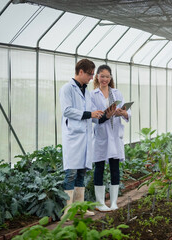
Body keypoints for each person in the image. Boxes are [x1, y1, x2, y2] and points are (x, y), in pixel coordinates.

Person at [59, 59, 104, 217]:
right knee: (71, 172)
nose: (92, 78)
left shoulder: (86, 91)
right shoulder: (67, 88)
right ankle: (67, 211)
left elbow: (90, 112)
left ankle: (80, 208)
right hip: (73, 137)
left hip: (85, 137)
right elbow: (67, 111)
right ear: (80, 72)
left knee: (82, 172)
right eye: (90, 74)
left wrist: (100, 115)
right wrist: (89, 114)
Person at [91, 64, 131, 212]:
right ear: (97, 77)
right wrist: (105, 115)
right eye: (102, 76)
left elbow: (128, 113)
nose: (105, 79)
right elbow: (92, 116)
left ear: (111, 78)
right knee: (99, 168)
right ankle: (100, 203)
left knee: (115, 168)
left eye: (107, 76)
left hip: (115, 135)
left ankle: (113, 202)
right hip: (102, 135)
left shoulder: (117, 93)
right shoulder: (92, 95)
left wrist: (123, 113)